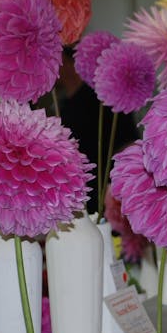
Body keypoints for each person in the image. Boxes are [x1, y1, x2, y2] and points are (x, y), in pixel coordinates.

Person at [56, 47, 139, 214]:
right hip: (82, 204)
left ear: (63, 58)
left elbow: (129, 145)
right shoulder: (63, 105)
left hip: (109, 201)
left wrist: (124, 193)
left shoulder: (103, 99)